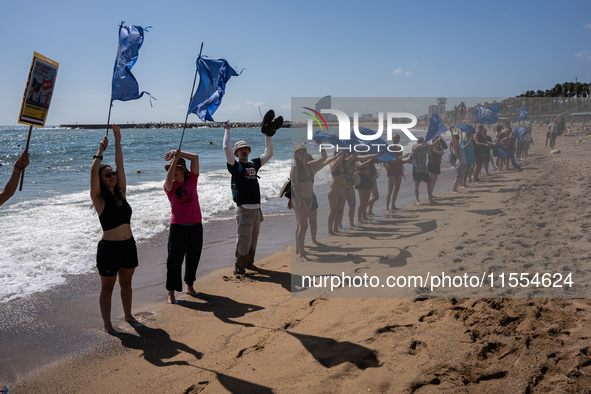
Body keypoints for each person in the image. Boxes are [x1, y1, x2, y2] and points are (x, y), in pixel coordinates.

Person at [90, 124, 139, 334]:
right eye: (107, 174)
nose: (112, 175)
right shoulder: (99, 199)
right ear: (101, 180)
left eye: (113, 173)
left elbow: (121, 164)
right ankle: (108, 324)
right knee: (107, 288)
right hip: (109, 248)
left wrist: (118, 142)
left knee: (126, 283)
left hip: (128, 245)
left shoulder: (121, 193)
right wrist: (100, 152)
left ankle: (128, 315)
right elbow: (93, 170)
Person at [223, 122, 274, 276]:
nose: (244, 151)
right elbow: (226, 148)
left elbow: (269, 154)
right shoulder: (235, 166)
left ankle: (249, 263)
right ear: (236, 153)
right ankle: (239, 268)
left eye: (246, 149)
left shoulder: (253, 164)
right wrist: (228, 131)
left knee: (253, 240)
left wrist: (268, 135)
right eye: (240, 149)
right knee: (244, 240)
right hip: (244, 208)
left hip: (257, 208)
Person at [163, 148, 203, 304]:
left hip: (195, 226)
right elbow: (168, 179)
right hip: (178, 228)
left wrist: (178, 153)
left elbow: (195, 157)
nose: (173, 172)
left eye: (177, 169)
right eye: (172, 169)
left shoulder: (192, 180)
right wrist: (174, 161)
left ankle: (190, 287)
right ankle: (171, 292)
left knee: (193, 258)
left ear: (183, 171)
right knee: (174, 261)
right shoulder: (169, 187)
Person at [290, 145, 335, 259]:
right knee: (303, 224)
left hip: (310, 198)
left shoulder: (311, 165)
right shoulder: (295, 168)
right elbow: (294, 185)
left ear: (306, 153)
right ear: (296, 155)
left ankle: (301, 248)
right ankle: (301, 252)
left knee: (306, 224)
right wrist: (300, 201)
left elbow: (324, 157)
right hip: (299, 198)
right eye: (299, 153)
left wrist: (321, 145)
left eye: (303, 152)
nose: (301, 154)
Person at [384, 134, 410, 213]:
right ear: (392, 139)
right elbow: (391, 160)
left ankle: (393, 206)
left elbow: (399, 161)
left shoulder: (399, 148)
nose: (396, 139)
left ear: (399, 139)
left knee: (397, 189)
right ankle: (387, 208)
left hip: (399, 170)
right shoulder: (390, 148)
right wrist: (403, 157)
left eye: (397, 138)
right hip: (391, 170)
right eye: (394, 138)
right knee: (390, 190)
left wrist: (406, 161)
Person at [412, 136, 434, 205]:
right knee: (416, 184)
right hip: (417, 168)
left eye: (421, 141)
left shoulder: (425, 147)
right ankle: (417, 200)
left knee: (429, 183)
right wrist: (423, 143)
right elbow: (415, 148)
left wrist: (437, 140)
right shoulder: (414, 147)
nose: (419, 142)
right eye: (418, 141)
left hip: (424, 169)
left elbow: (433, 145)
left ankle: (430, 199)